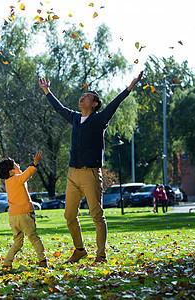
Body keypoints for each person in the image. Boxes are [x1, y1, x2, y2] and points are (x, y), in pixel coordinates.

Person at [38, 71, 143, 264]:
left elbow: (115, 103)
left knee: (96, 215)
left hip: (91, 174)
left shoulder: (99, 119)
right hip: (72, 174)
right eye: (83, 95)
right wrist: (47, 91)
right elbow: (60, 109)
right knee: (69, 215)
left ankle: (101, 256)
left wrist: (131, 86)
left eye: (87, 97)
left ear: (94, 104)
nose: (83, 97)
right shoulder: (76, 118)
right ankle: (80, 250)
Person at [0, 151, 47, 269]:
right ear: (12, 171)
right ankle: (43, 260)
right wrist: (34, 163)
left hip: (13, 217)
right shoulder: (17, 179)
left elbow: (24, 174)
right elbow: (27, 174)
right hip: (24, 215)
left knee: (17, 243)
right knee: (34, 237)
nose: (18, 165)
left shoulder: (8, 182)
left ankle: (7, 263)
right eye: (16, 165)